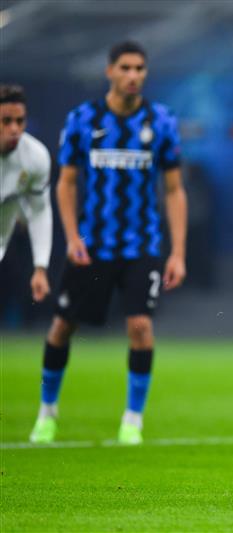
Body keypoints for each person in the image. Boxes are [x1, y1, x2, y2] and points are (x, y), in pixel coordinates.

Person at [28, 41, 187, 446]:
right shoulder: (83, 120)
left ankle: (132, 420)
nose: (134, 75)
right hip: (92, 244)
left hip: (142, 246)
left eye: (140, 68)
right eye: (126, 68)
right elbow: (64, 182)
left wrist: (178, 253)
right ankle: (47, 413)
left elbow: (173, 190)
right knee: (63, 326)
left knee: (140, 326)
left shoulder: (161, 121)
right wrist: (71, 237)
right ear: (110, 72)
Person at [0, 84, 52, 306]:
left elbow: (40, 211)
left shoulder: (36, 157)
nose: (14, 129)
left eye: (20, 121)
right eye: (6, 121)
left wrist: (40, 267)